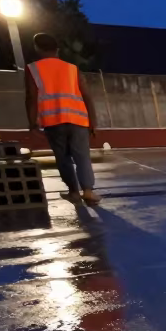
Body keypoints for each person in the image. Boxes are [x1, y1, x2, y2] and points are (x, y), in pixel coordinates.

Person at [24, 33, 100, 205]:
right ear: (57, 49)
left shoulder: (33, 69)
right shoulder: (72, 68)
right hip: (78, 119)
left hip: (53, 121)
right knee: (82, 156)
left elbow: (31, 97)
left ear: (37, 48)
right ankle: (88, 191)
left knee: (63, 157)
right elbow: (87, 95)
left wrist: (32, 122)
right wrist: (93, 122)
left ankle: (73, 192)